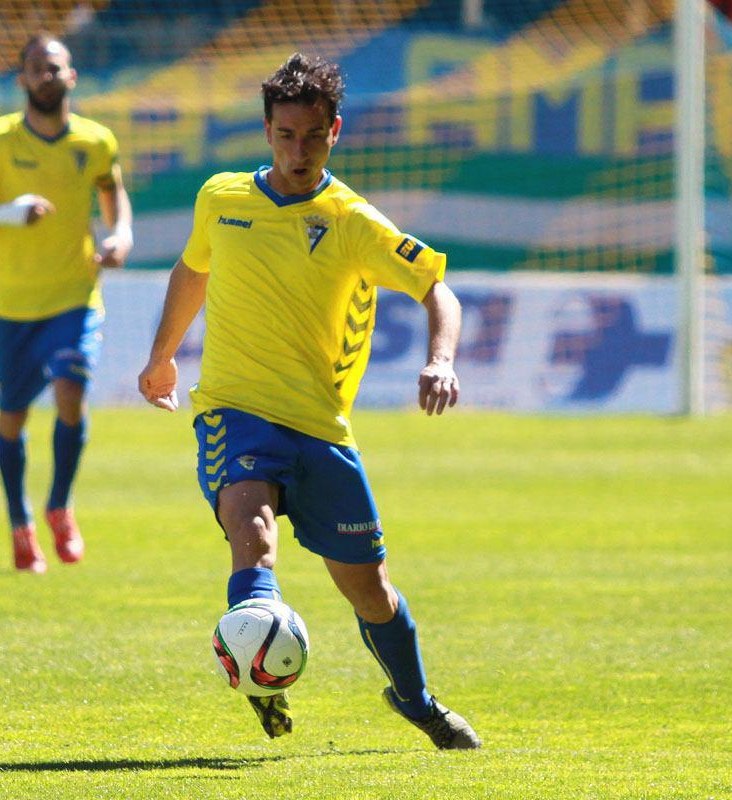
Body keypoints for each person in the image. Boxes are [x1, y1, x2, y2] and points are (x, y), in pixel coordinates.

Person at [137, 53, 480, 750]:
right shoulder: (222, 200)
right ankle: (262, 673)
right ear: (267, 131)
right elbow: (191, 270)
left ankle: (415, 701)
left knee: (370, 592)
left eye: (313, 136)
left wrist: (440, 360)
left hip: (320, 428)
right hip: (233, 410)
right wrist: (163, 356)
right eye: (286, 135)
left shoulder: (351, 220)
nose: (299, 151)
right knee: (251, 535)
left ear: (335, 132)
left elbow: (437, 289)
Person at [0, 34, 132, 573]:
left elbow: (112, 191)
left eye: (55, 68)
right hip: (12, 305)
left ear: (72, 76)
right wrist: (8, 211)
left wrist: (120, 234)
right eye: (36, 68)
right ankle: (19, 522)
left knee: (72, 387)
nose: (46, 76)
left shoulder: (96, 142)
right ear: (22, 79)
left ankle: (59, 506)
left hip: (74, 295)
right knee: (12, 417)